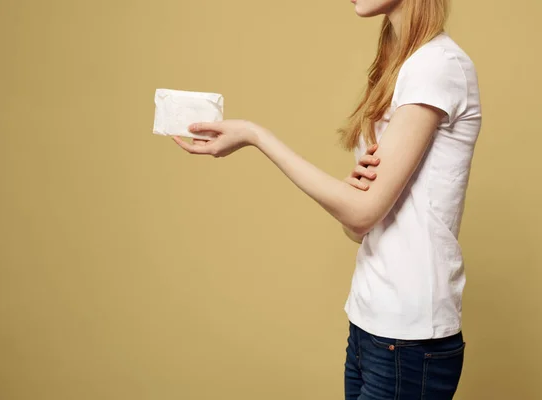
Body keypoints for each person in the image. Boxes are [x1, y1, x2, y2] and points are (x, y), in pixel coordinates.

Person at [173, 0, 481, 398]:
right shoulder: (402, 65)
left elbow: (364, 211)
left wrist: (255, 135)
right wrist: (353, 197)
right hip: (370, 324)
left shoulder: (436, 65)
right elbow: (359, 225)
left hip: (407, 338)